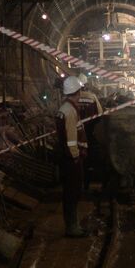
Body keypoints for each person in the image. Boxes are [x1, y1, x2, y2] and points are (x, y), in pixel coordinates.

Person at [55, 75, 88, 237]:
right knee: (72, 193)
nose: (80, 95)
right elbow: (70, 139)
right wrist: (76, 156)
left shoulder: (66, 109)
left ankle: (73, 225)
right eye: (79, 92)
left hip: (69, 158)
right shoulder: (69, 111)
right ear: (75, 92)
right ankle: (72, 228)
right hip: (71, 159)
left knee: (71, 192)